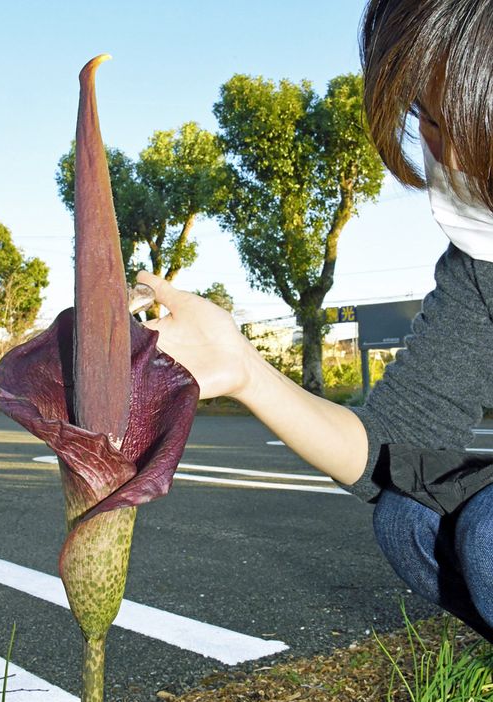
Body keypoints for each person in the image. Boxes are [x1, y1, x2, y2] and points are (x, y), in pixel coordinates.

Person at [136, 0, 493, 644]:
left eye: (470, 124)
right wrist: (244, 370)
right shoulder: (480, 262)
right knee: (412, 520)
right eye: (430, 119)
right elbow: (393, 446)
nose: (449, 157)